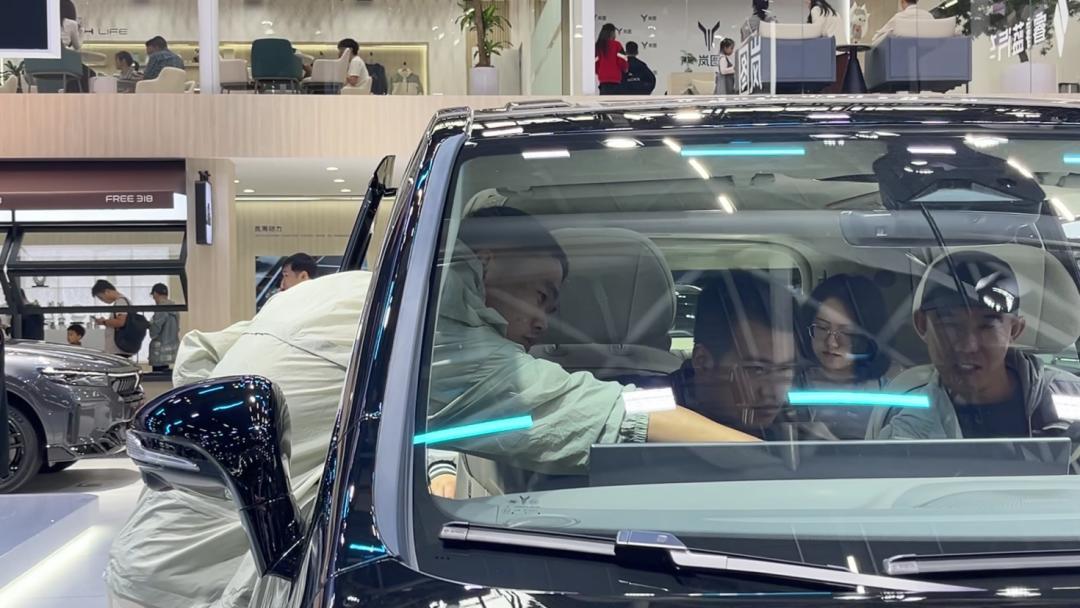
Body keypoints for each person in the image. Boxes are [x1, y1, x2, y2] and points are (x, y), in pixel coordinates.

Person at [428, 207, 756, 498]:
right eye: (541, 296)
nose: (543, 323)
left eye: (551, 310)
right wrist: (770, 459)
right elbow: (612, 410)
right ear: (486, 261)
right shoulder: (455, 340)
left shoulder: (426, 320)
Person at [105, 270, 372, 608]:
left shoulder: (312, 295)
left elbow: (196, 350)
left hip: (159, 541)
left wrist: (213, 421)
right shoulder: (412, 323)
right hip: (188, 579)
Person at [878, 252, 1080, 439]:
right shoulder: (907, 430)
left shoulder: (1072, 397)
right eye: (950, 325)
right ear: (922, 325)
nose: (968, 346)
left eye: (987, 326)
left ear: (1014, 330)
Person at [667, 271, 810, 439]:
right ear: (702, 362)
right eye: (757, 370)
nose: (774, 392)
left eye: (784, 369)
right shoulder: (652, 408)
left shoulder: (798, 423)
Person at [801, 274, 896, 439]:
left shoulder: (891, 393)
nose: (832, 342)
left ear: (870, 337)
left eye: (847, 332)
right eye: (822, 327)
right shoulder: (790, 386)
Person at [91, 279, 134, 357]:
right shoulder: (121, 301)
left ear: (107, 291)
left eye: (101, 297)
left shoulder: (121, 302)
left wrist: (103, 322)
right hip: (119, 349)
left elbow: (121, 322)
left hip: (119, 350)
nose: (102, 301)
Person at [148, 283, 179, 373]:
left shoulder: (161, 308)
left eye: (153, 296)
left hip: (159, 352)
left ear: (155, 294)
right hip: (171, 351)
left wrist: (149, 325)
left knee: (157, 378)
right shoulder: (175, 308)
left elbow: (154, 331)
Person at [594, 23, 628, 95]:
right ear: (612, 33)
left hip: (603, 80)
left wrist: (600, 72)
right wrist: (625, 69)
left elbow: (595, 64)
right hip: (615, 79)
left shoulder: (598, 46)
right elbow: (622, 62)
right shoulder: (617, 45)